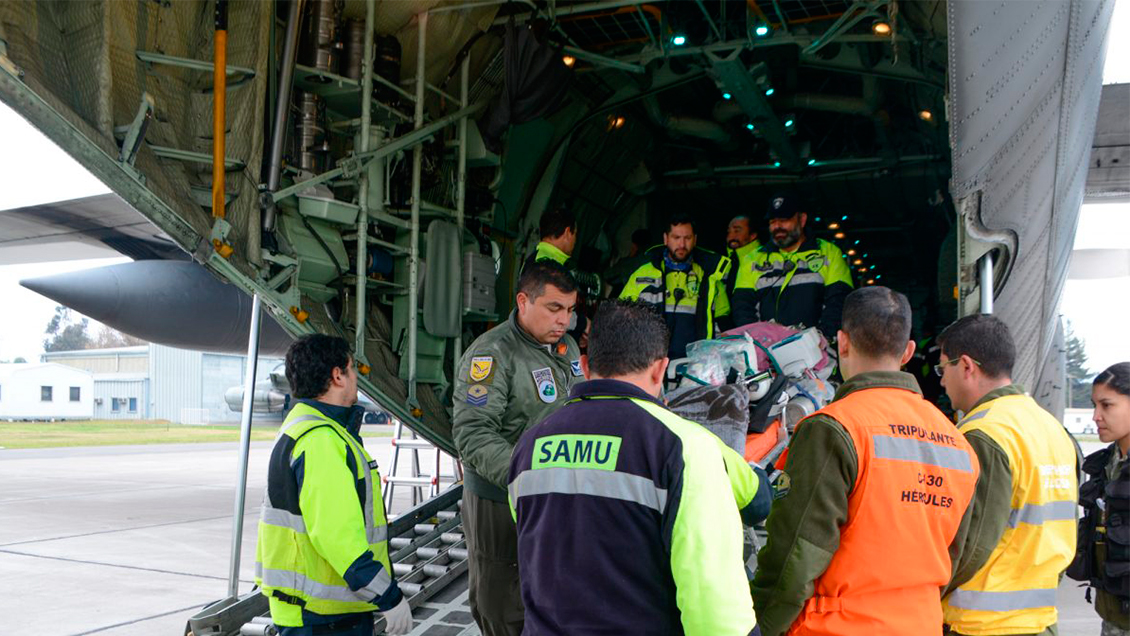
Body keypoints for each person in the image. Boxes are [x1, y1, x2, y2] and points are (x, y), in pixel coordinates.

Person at [508, 300, 769, 635]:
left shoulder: (530, 444)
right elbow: (715, 610)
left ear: (585, 366)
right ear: (661, 369)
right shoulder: (683, 446)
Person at [752, 286, 979, 636]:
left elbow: (795, 556)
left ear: (842, 342)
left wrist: (760, 626)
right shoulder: (957, 442)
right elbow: (960, 554)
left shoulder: (833, 428)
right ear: (908, 352)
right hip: (921, 625)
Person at [452, 260, 583, 636]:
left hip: (556, 493)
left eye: (570, 310)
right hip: (500, 499)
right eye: (554, 308)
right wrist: (528, 475)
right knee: (503, 597)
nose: (564, 320)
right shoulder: (492, 355)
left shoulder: (566, 348)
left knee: (552, 587)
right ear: (523, 301)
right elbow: (474, 434)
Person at [254, 334, 412, 636]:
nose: (356, 378)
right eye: (352, 370)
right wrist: (388, 597)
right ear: (337, 375)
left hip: (313, 611)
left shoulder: (303, 428)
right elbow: (337, 535)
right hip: (323, 617)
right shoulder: (321, 441)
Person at [937, 314, 1079, 636]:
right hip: (1040, 620)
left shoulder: (984, 434)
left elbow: (969, 547)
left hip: (981, 625)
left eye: (943, 369)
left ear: (967, 367)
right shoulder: (1051, 428)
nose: (942, 381)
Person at [731, 193, 852, 340]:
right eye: (772, 221)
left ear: (802, 220)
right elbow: (742, 307)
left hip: (818, 351)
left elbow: (839, 301)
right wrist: (760, 341)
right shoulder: (752, 259)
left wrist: (820, 338)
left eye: (784, 220)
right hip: (767, 353)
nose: (777, 227)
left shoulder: (829, 252)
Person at [1068, 362, 1130, 636]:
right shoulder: (1107, 465)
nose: (1096, 416)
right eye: (1094, 405)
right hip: (1113, 619)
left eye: (1107, 405)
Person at [619, 213, 731, 359]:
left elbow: (724, 324)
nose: (682, 245)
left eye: (687, 238)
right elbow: (621, 316)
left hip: (695, 367)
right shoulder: (642, 273)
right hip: (649, 363)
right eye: (676, 238)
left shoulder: (709, 277)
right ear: (666, 238)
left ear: (695, 239)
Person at [523, 205, 576, 271]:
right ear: (567, 232)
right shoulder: (548, 267)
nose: (575, 241)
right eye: (575, 234)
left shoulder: (535, 259)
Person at [725, 214, 760, 296]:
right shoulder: (724, 261)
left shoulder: (764, 259)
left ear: (753, 235)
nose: (731, 236)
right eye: (729, 232)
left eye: (737, 231)